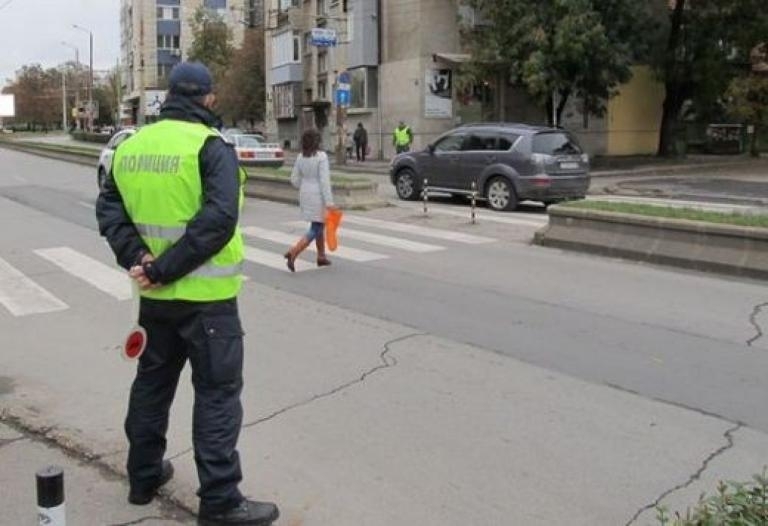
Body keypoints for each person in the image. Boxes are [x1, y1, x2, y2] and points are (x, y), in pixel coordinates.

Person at [95, 61, 279, 526]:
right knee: (217, 396)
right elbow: (219, 220)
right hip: (208, 302)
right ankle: (219, 501)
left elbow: (109, 210)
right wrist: (163, 269)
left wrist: (140, 261)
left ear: (167, 99)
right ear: (209, 99)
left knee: (152, 387)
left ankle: (143, 477)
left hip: (156, 303)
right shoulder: (210, 147)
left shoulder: (132, 146)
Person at [284, 128, 336, 272]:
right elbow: (324, 181)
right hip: (318, 195)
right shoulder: (321, 157)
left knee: (318, 224)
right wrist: (330, 203)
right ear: (317, 142)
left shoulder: (301, 157)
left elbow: (294, 179)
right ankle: (294, 252)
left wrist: (305, 185)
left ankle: (321, 256)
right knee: (316, 227)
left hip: (305, 193)